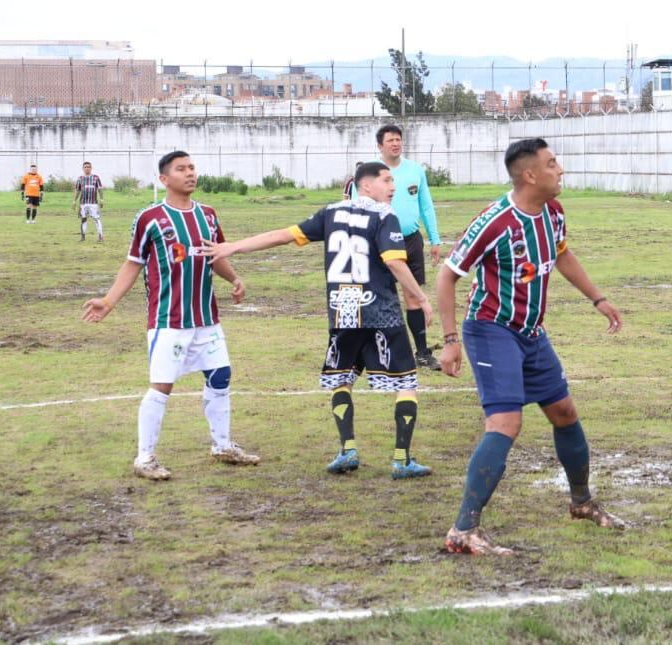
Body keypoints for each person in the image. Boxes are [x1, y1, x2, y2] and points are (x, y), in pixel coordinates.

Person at [437, 137, 626, 555]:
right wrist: (450, 342)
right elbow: (447, 276)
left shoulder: (553, 213)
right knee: (506, 423)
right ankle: (463, 530)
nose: (561, 170)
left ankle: (581, 502)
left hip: (531, 332)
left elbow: (562, 255)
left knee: (564, 412)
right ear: (530, 175)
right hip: (490, 330)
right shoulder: (494, 221)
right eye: (553, 163)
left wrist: (598, 298)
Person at [200, 162, 435, 479]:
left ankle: (347, 450)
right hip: (379, 306)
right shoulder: (384, 216)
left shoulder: (331, 213)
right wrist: (420, 298)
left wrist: (234, 246)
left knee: (342, 378)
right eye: (387, 180)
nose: (393, 186)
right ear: (366, 186)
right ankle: (401, 459)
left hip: (343, 306)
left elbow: (283, 235)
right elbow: (394, 262)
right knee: (406, 382)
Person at [81, 151, 260, 480]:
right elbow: (133, 262)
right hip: (168, 319)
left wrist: (233, 277)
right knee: (162, 386)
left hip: (206, 317)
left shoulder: (207, 215)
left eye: (192, 167)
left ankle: (222, 445)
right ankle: (145, 457)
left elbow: (214, 254)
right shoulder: (150, 218)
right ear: (165, 179)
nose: (190, 173)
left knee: (220, 376)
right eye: (182, 169)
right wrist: (108, 301)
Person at [371, 124, 444, 371]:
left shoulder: (415, 170)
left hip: (411, 240)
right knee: (380, 297)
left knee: (413, 295)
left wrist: (435, 240)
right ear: (380, 145)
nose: (395, 143)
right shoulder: (369, 171)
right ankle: (381, 353)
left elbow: (426, 206)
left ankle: (422, 352)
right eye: (390, 140)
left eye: (398, 139)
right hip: (379, 241)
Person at [74, 161, 105, 242]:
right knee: (83, 219)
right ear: (83, 168)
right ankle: (83, 237)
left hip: (93, 203)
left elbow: (100, 189)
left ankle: (100, 236)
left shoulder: (96, 177)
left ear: (91, 168)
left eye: (88, 167)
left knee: (96, 219)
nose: (87, 168)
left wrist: (101, 199)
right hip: (83, 203)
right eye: (85, 167)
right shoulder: (80, 178)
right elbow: (77, 190)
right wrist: (74, 201)